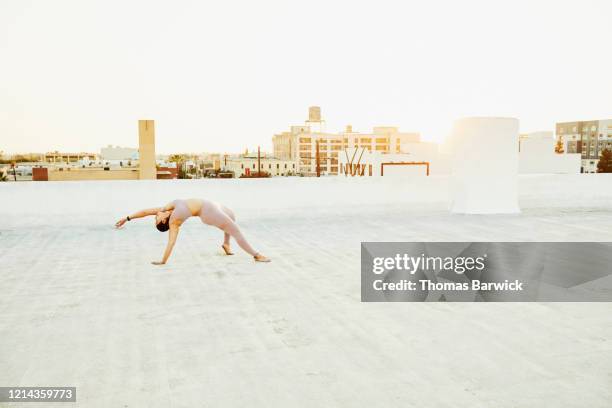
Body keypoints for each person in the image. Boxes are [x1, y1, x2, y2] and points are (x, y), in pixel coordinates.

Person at [115, 198, 270, 265]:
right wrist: (163, 261)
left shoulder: (165, 209)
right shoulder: (174, 220)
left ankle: (226, 244)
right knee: (235, 230)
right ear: (163, 221)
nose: (154, 216)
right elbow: (171, 242)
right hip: (208, 212)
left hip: (211, 204)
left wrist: (127, 218)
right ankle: (256, 255)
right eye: (156, 219)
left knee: (231, 214)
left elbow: (145, 211)